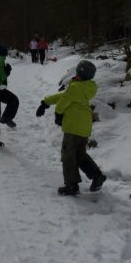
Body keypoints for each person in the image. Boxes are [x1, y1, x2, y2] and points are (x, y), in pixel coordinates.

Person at [36, 59, 106, 194]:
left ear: (79, 73)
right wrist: (46, 102)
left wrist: (58, 114)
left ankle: (71, 185)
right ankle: (97, 175)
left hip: (73, 127)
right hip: (84, 126)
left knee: (68, 155)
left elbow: (63, 102)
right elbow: (64, 95)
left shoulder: (75, 87)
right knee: (79, 154)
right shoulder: (85, 87)